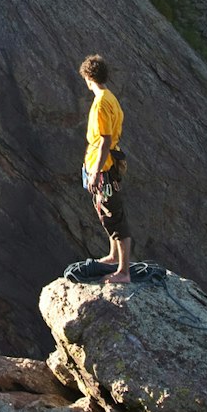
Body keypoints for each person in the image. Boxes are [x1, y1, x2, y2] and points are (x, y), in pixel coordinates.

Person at [79, 54, 130, 285]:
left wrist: (96, 172)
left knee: (114, 215)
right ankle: (112, 257)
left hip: (105, 167)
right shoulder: (111, 98)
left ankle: (123, 271)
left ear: (89, 77)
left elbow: (105, 141)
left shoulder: (100, 103)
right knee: (107, 213)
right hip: (108, 164)